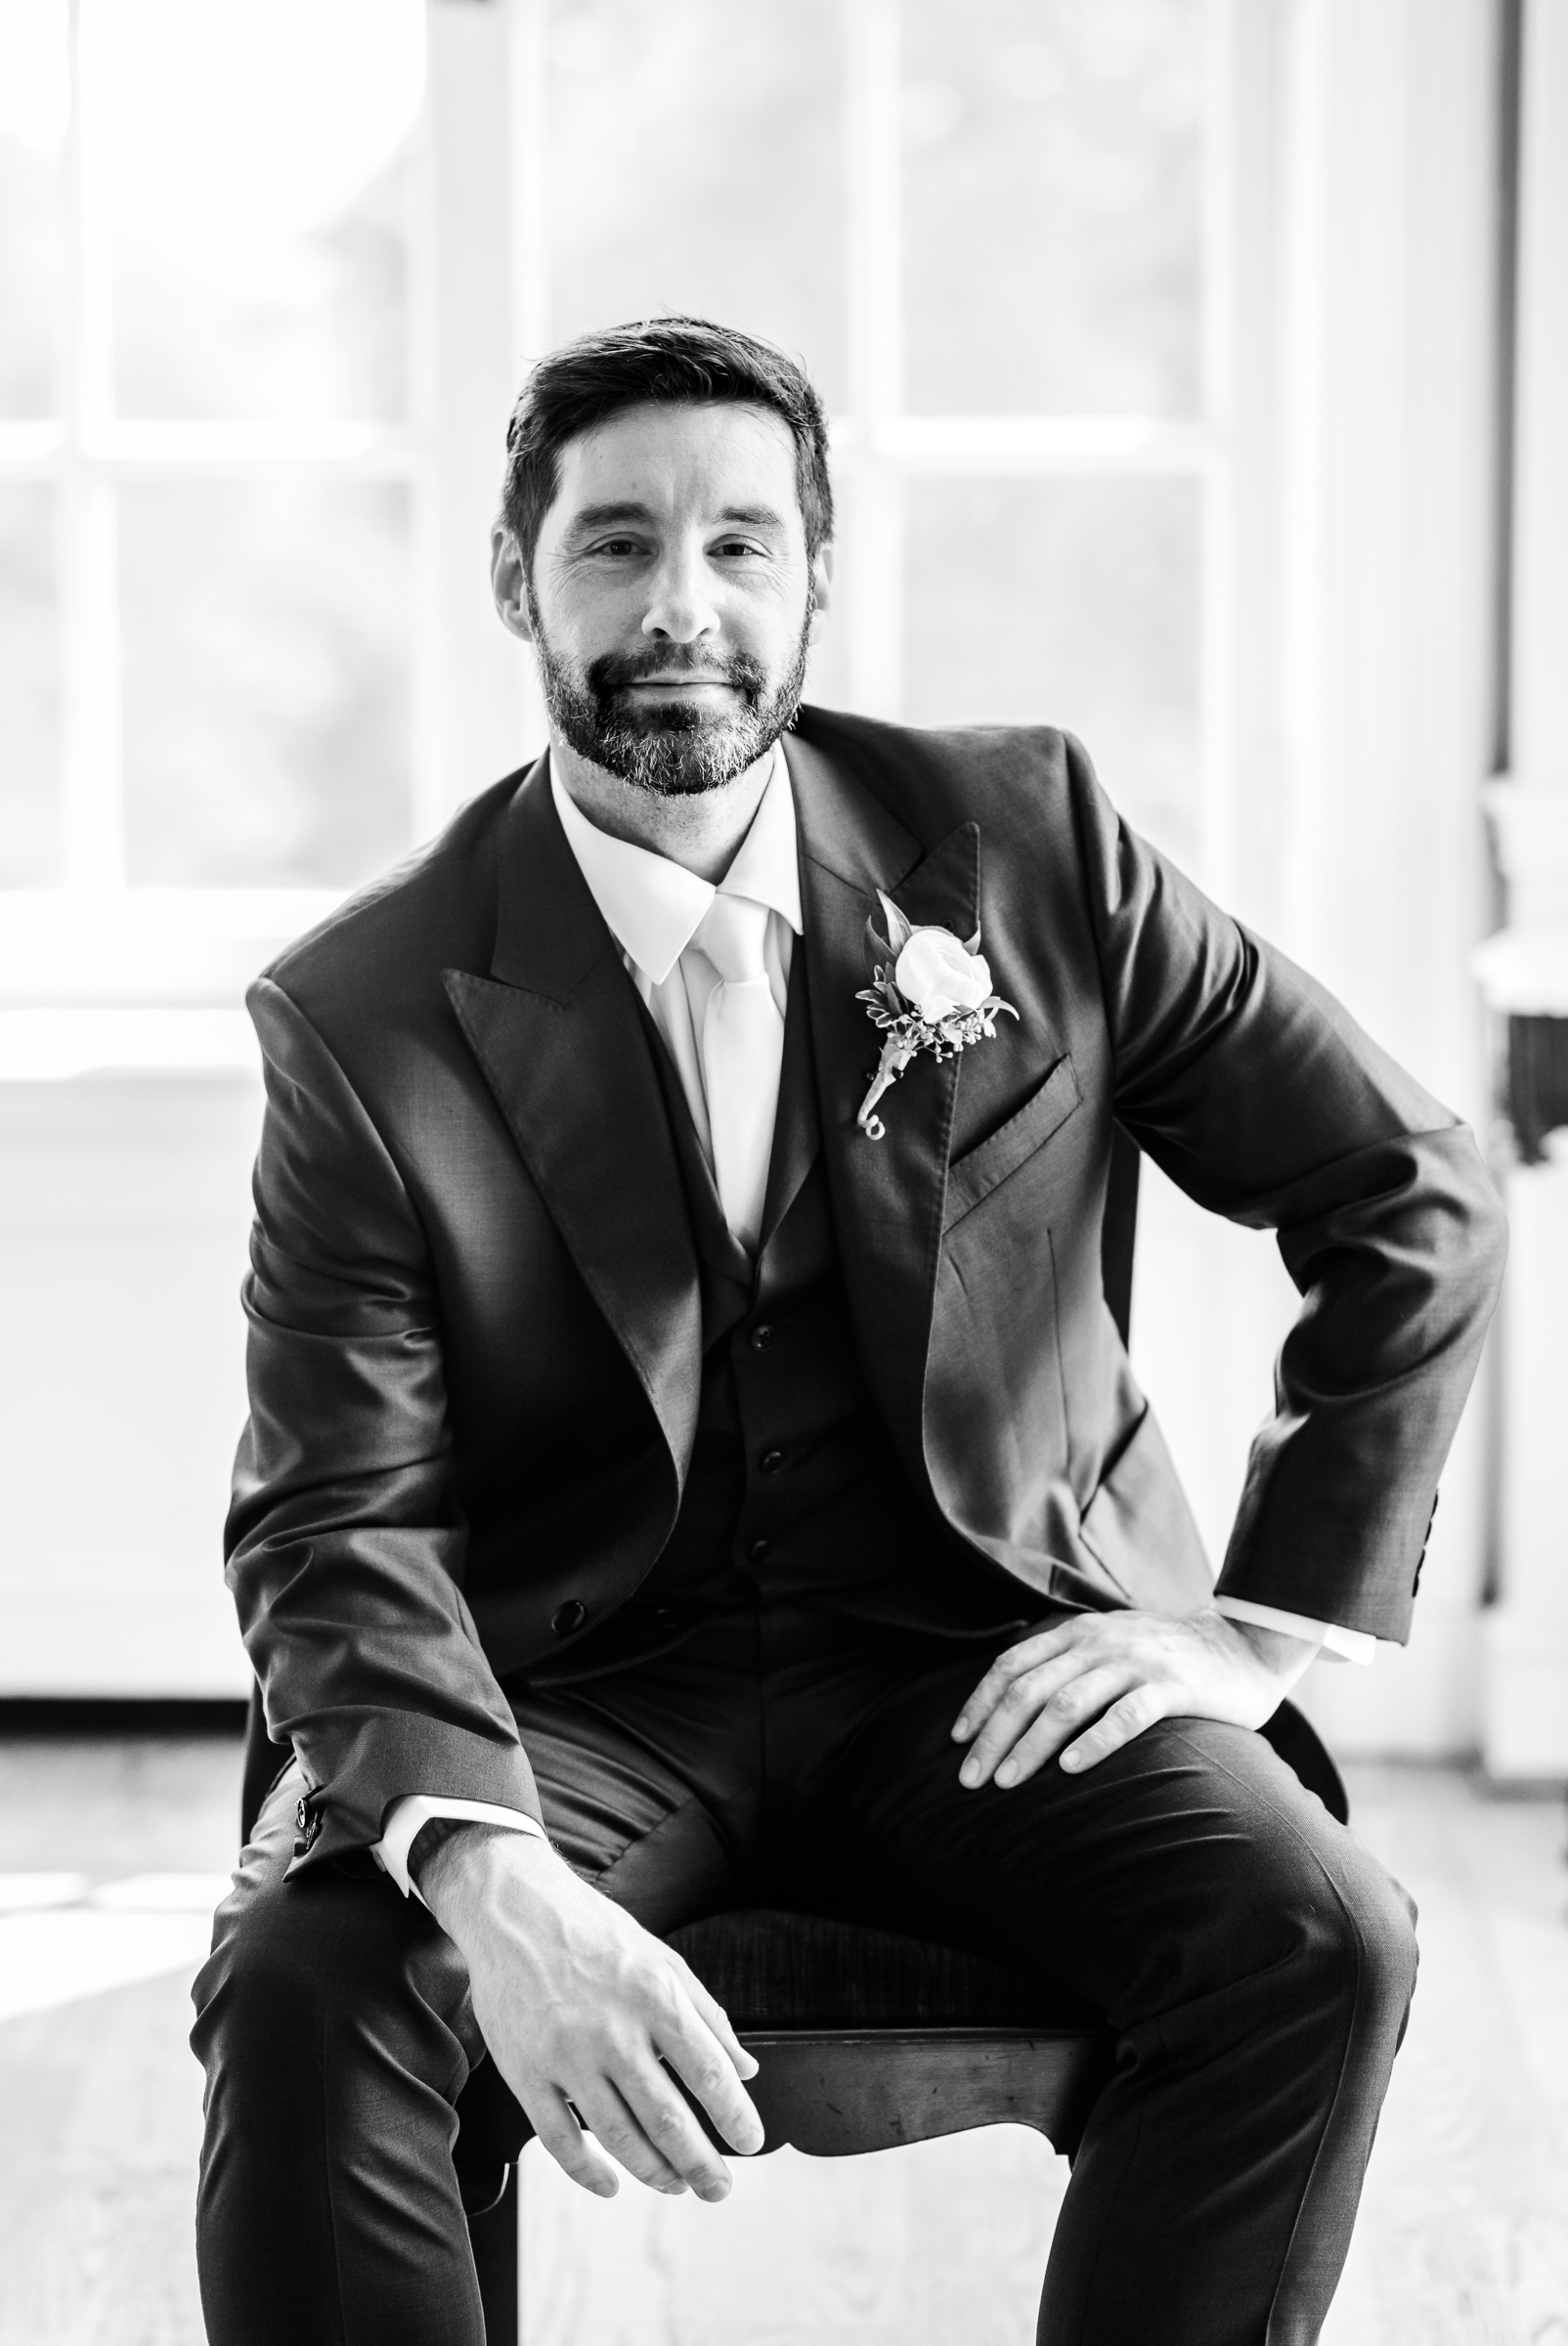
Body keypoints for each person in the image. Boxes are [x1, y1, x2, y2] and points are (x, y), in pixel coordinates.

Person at [191, 316, 1505, 2346]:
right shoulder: (364, 1016)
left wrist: (1255, 1632)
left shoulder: (1034, 846)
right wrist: (494, 1878)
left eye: (739, 544)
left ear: (819, 570)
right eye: (612, 545)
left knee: (1311, 1936)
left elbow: (1405, 1184)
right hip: (575, 1686)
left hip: (983, 1657)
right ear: (513, 579)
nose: (680, 609)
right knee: (314, 1986)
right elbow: (331, 1521)